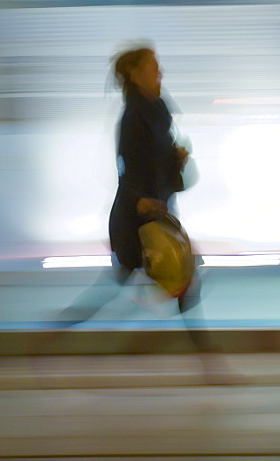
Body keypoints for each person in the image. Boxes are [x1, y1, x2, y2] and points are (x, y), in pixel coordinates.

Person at [47, 44, 242, 383]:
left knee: (163, 286)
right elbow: (125, 166)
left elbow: (161, 172)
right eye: (153, 66)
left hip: (154, 216)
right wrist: (141, 199)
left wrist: (176, 160)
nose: (160, 72)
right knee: (170, 285)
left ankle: (62, 336)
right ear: (136, 74)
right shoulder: (135, 117)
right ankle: (67, 337)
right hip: (136, 220)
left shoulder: (156, 113)